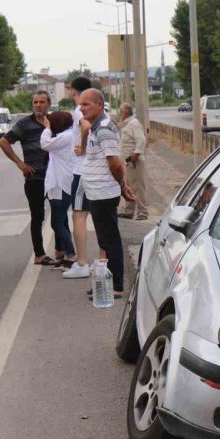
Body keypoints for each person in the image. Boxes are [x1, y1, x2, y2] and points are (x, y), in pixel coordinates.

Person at [79, 88, 134, 298]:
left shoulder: (104, 129)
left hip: (103, 192)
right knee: (105, 240)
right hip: (96, 191)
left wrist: (122, 186)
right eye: (81, 104)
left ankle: (117, 286)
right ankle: (109, 282)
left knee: (110, 240)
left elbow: (115, 163)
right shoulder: (96, 127)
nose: (82, 108)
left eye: (86, 104)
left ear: (100, 105)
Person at [0, 91, 54, 266]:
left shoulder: (54, 122)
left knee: (59, 215)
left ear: (49, 104)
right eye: (35, 102)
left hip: (55, 176)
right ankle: (39, 254)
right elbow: (4, 142)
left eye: (42, 102)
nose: (38, 105)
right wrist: (19, 163)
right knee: (37, 216)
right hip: (34, 178)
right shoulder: (24, 124)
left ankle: (61, 250)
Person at [62, 76, 95, 279]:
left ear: (73, 90)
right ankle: (101, 260)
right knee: (97, 216)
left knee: (78, 216)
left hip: (82, 171)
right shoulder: (96, 109)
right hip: (93, 170)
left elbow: (85, 127)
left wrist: (82, 145)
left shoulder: (78, 111)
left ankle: (82, 262)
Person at [39, 110, 76, 267]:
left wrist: (47, 127)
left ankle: (71, 254)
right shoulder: (67, 135)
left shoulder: (65, 136)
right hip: (58, 183)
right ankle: (63, 253)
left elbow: (45, 144)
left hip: (61, 184)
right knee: (62, 221)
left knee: (56, 223)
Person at [116, 102, 148, 221]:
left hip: (134, 161)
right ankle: (129, 211)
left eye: (120, 112)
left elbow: (141, 140)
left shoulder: (133, 123)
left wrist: (135, 153)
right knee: (128, 186)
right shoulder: (127, 124)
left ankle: (142, 213)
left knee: (138, 187)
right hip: (127, 162)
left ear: (124, 112)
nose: (119, 114)